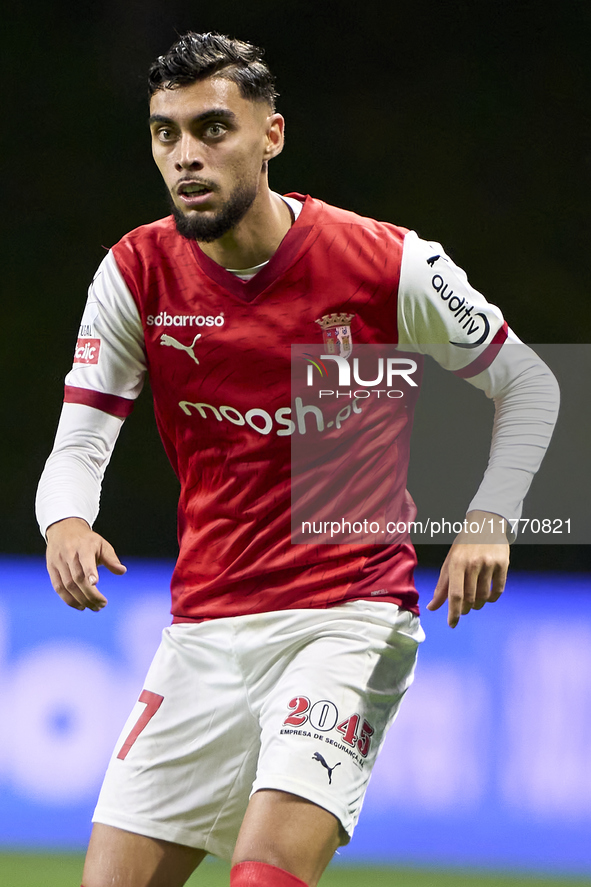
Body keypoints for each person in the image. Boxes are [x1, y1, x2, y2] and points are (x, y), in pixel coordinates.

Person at [36, 31, 559, 887]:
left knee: (264, 877)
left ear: (271, 136)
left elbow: (530, 384)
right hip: (205, 627)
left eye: (212, 128)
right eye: (166, 133)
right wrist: (64, 518)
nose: (185, 155)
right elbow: (82, 436)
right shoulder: (137, 272)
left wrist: (489, 515)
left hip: (345, 615)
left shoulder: (383, 263)